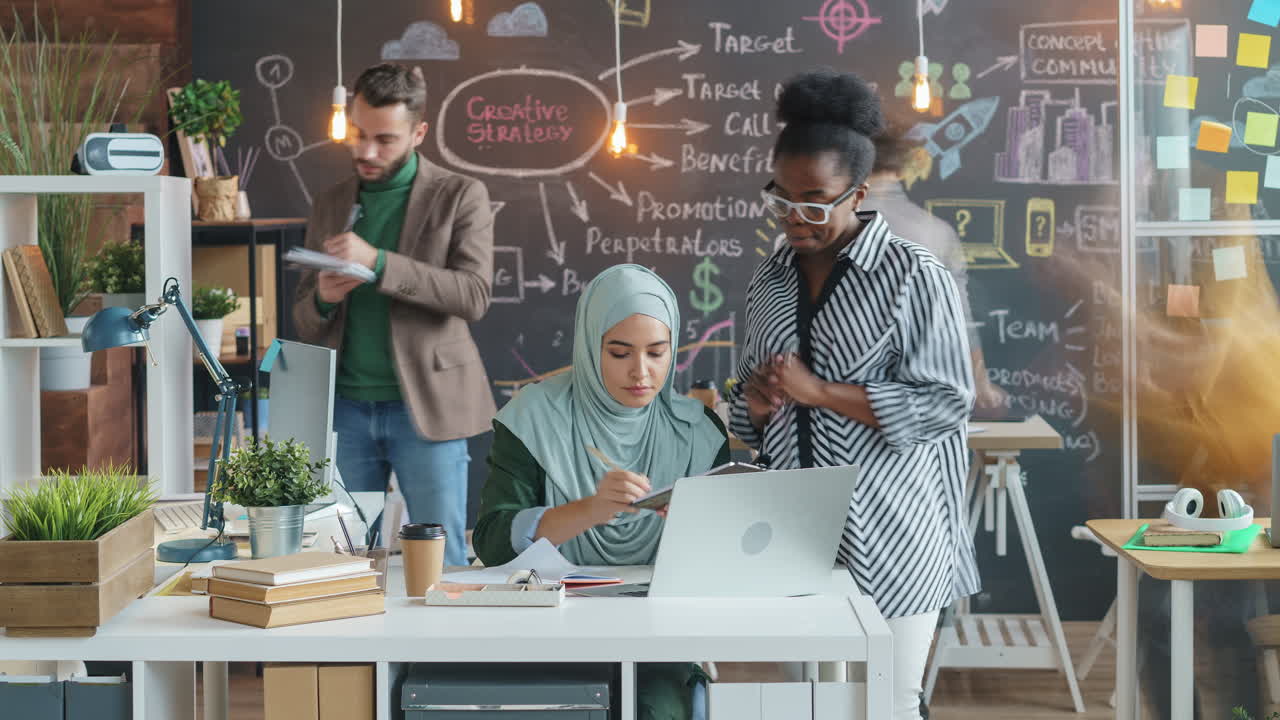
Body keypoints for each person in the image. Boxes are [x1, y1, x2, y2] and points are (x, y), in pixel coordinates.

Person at [729, 68, 978, 720]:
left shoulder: (912, 276)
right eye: (781, 198)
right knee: (817, 707)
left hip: (893, 533)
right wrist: (753, 404)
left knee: (888, 704)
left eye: (814, 200)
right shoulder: (769, 280)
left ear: (858, 194)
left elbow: (947, 401)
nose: (794, 217)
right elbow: (748, 411)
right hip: (794, 536)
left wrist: (821, 392)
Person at [474, 264, 729, 720]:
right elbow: (492, 542)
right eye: (619, 352)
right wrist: (590, 509)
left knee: (658, 708)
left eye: (657, 352)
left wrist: (696, 532)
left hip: (660, 633)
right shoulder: (534, 418)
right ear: (590, 347)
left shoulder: (699, 431)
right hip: (546, 627)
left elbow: (722, 563)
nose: (641, 372)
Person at [292, 63, 495, 567]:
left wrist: (377, 263)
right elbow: (303, 318)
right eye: (358, 134)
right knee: (341, 563)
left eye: (384, 139)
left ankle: (434, 650)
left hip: (426, 409)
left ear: (418, 132)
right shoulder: (330, 201)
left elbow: (473, 295)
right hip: (344, 411)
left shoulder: (460, 194)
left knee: (441, 563)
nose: (365, 151)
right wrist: (323, 297)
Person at [868, 119, 1007, 411]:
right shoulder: (936, 232)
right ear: (903, 169)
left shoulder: (824, 227)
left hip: (835, 396)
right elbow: (960, 317)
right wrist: (981, 384)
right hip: (920, 397)